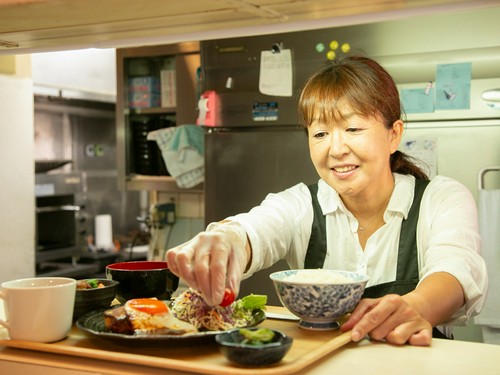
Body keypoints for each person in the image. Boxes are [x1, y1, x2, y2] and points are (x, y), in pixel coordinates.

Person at [166, 56, 488, 346]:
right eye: (320, 134)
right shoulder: (302, 204)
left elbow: (456, 269)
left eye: (352, 128)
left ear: (394, 135)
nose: (336, 149)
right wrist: (228, 240)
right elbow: (257, 227)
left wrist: (416, 306)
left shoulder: (441, 198)